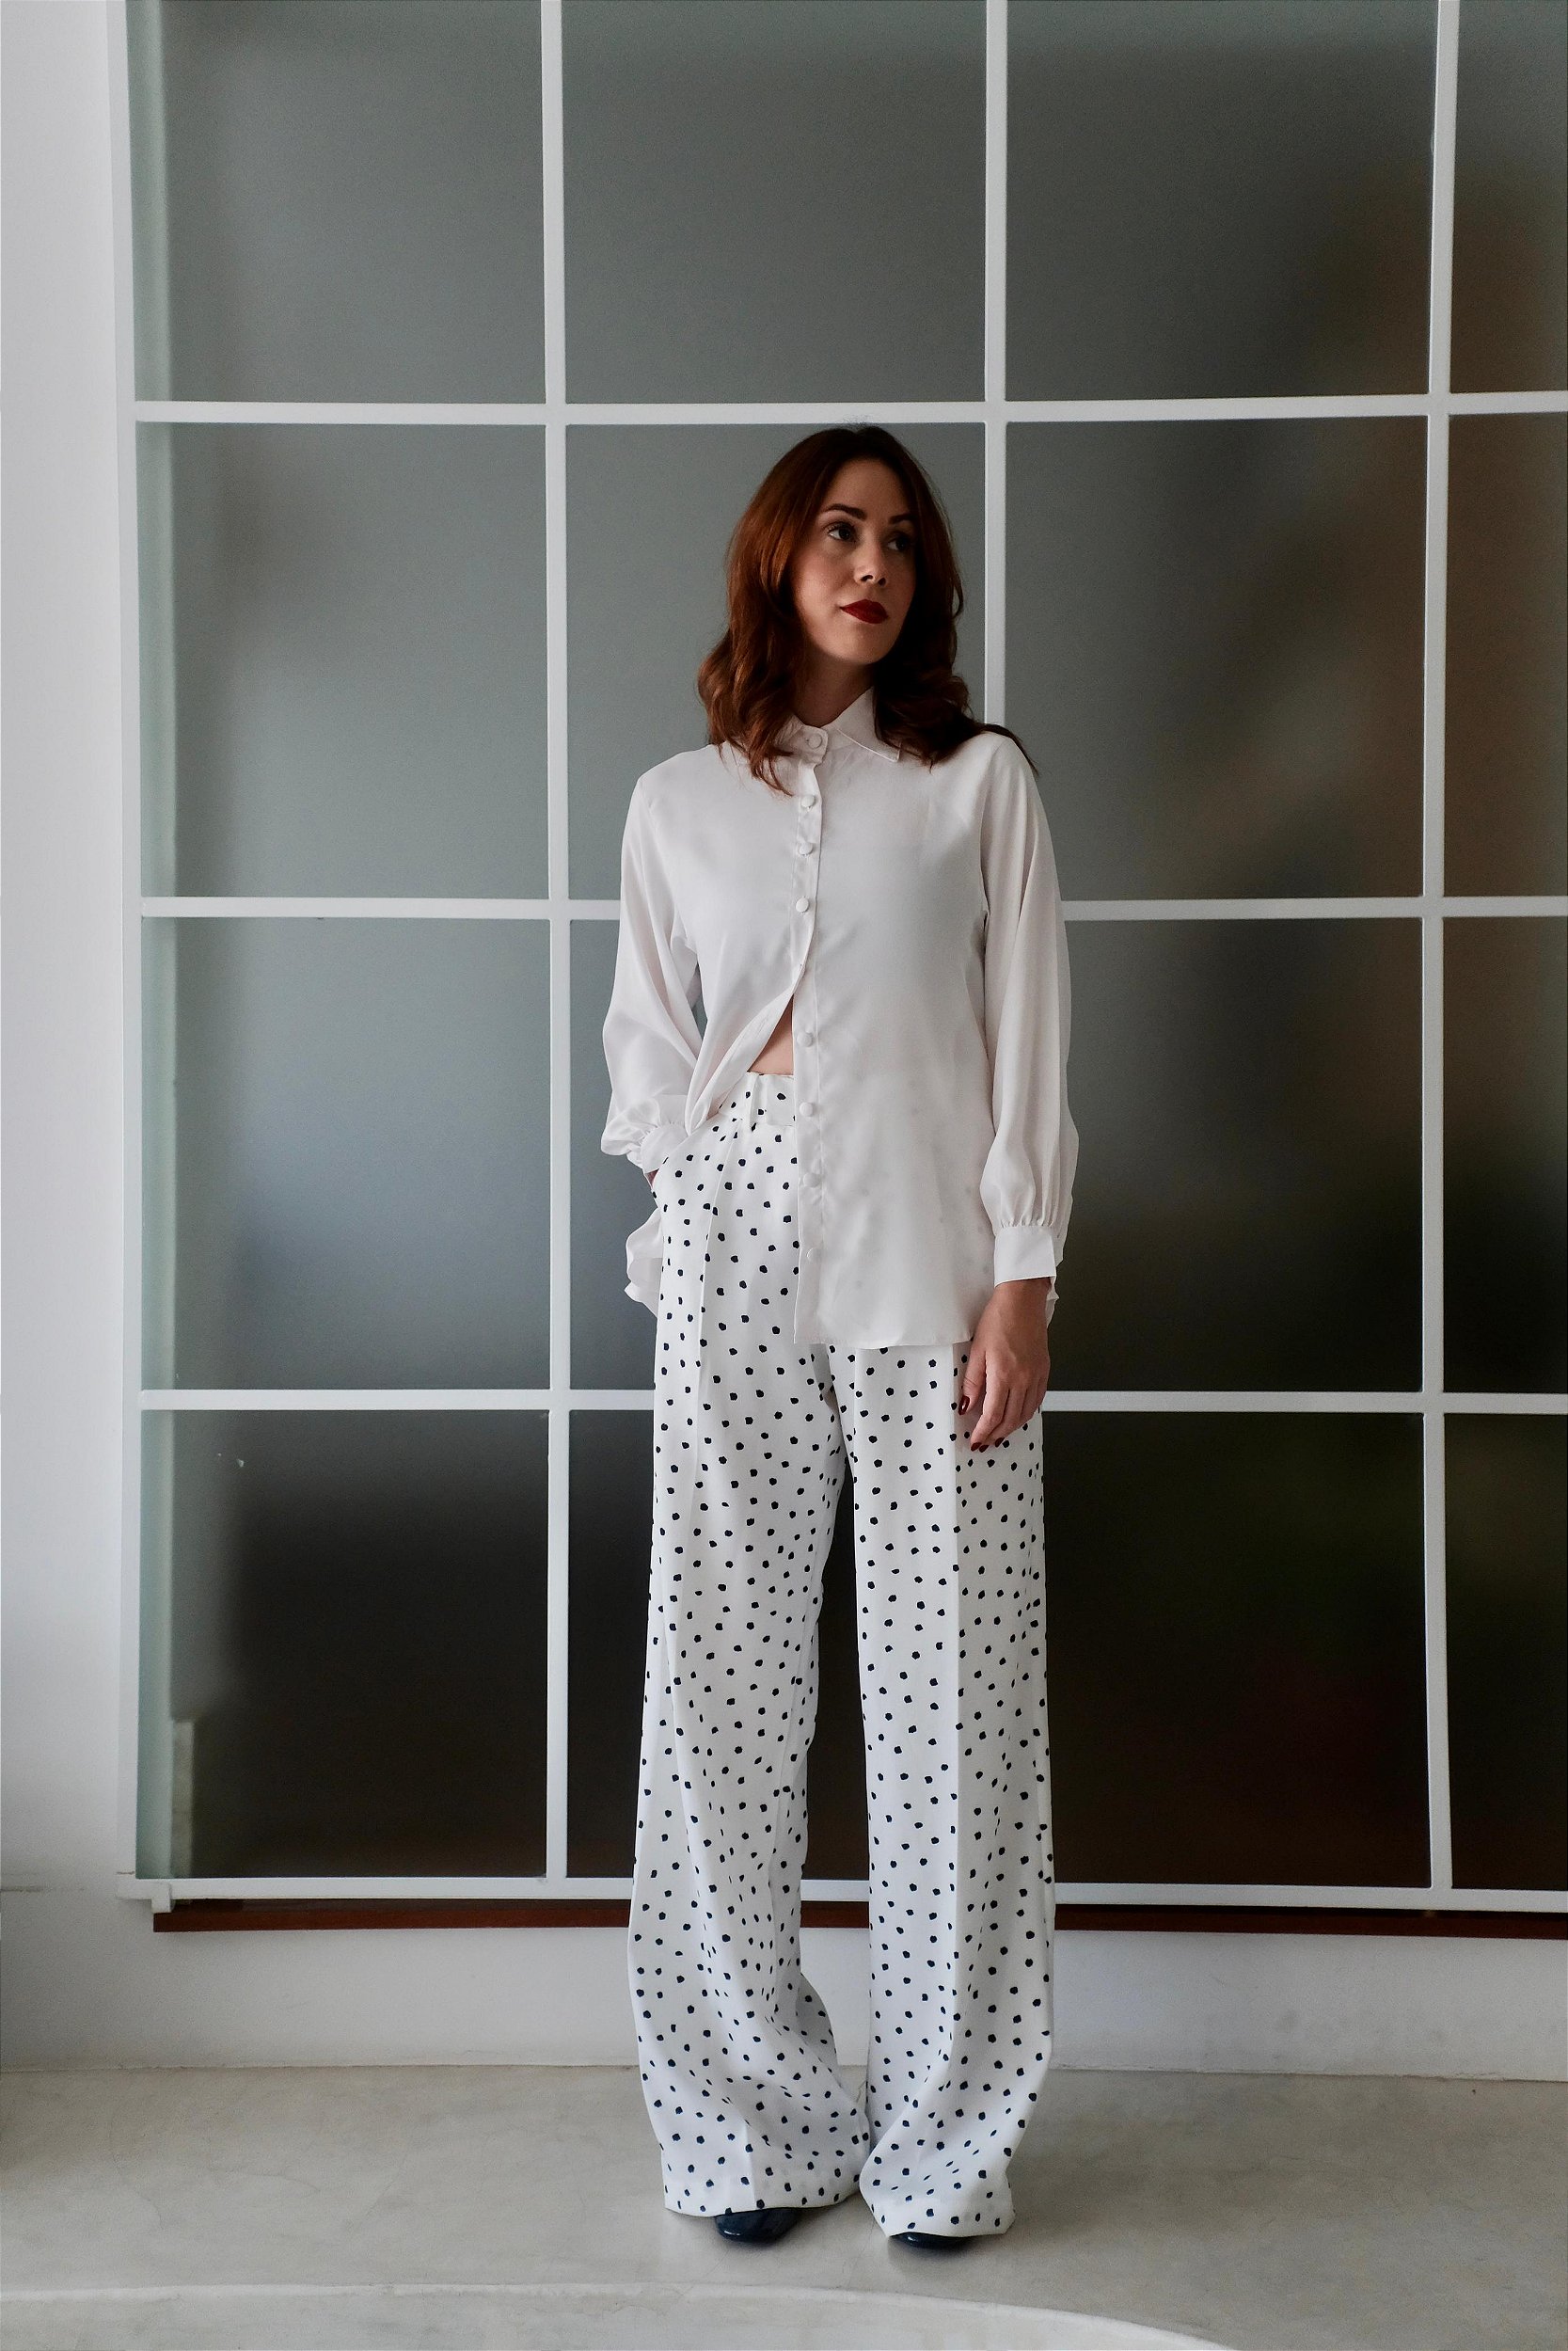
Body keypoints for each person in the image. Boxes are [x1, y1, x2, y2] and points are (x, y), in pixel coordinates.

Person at [600, 423, 1078, 2251]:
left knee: (959, 1701)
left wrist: (1024, 1272)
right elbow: (648, 1038)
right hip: (733, 1231)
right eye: (838, 532)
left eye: (899, 538)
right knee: (716, 1688)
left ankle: (946, 2142)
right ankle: (750, 2125)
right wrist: (696, 1178)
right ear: (777, 559)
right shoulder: (676, 802)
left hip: (934, 1248)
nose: (872, 564)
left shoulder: (977, 782)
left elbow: (1031, 1035)